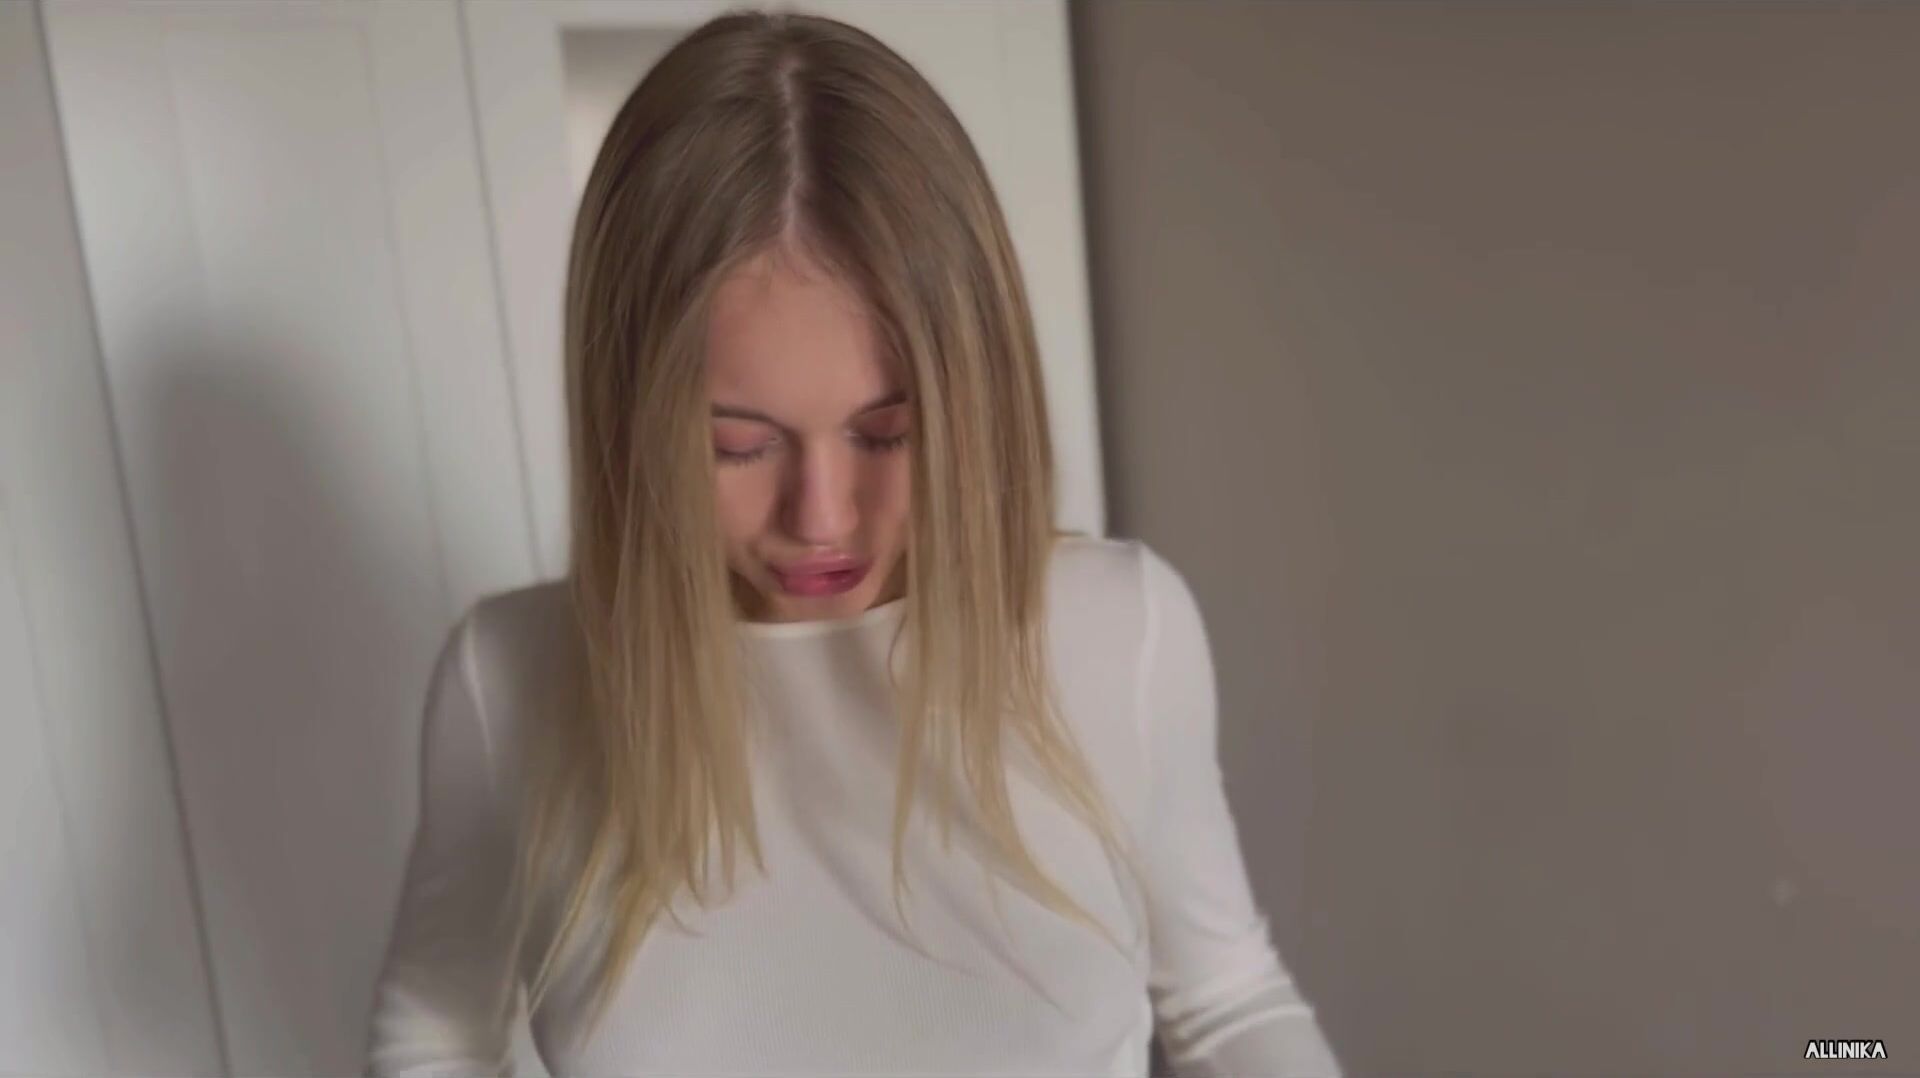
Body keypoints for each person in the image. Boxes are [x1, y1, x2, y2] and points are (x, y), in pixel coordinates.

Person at [365, 10, 1339, 1077]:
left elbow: (1225, 1000)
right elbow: (432, 1034)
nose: (822, 517)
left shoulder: (1117, 630)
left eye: (888, 432)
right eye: (738, 445)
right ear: (628, 420)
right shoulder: (510, 682)